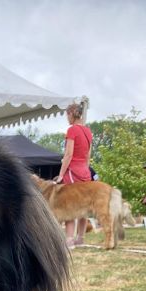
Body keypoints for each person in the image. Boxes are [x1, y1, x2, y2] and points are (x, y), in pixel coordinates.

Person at [54, 102, 93, 247]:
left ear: (71, 113)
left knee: (69, 205)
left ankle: (69, 239)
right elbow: (88, 156)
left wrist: (60, 175)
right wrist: (86, 171)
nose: (67, 119)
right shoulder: (88, 131)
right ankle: (80, 238)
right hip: (85, 172)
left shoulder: (72, 130)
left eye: (67, 115)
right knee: (84, 206)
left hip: (73, 171)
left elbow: (68, 154)